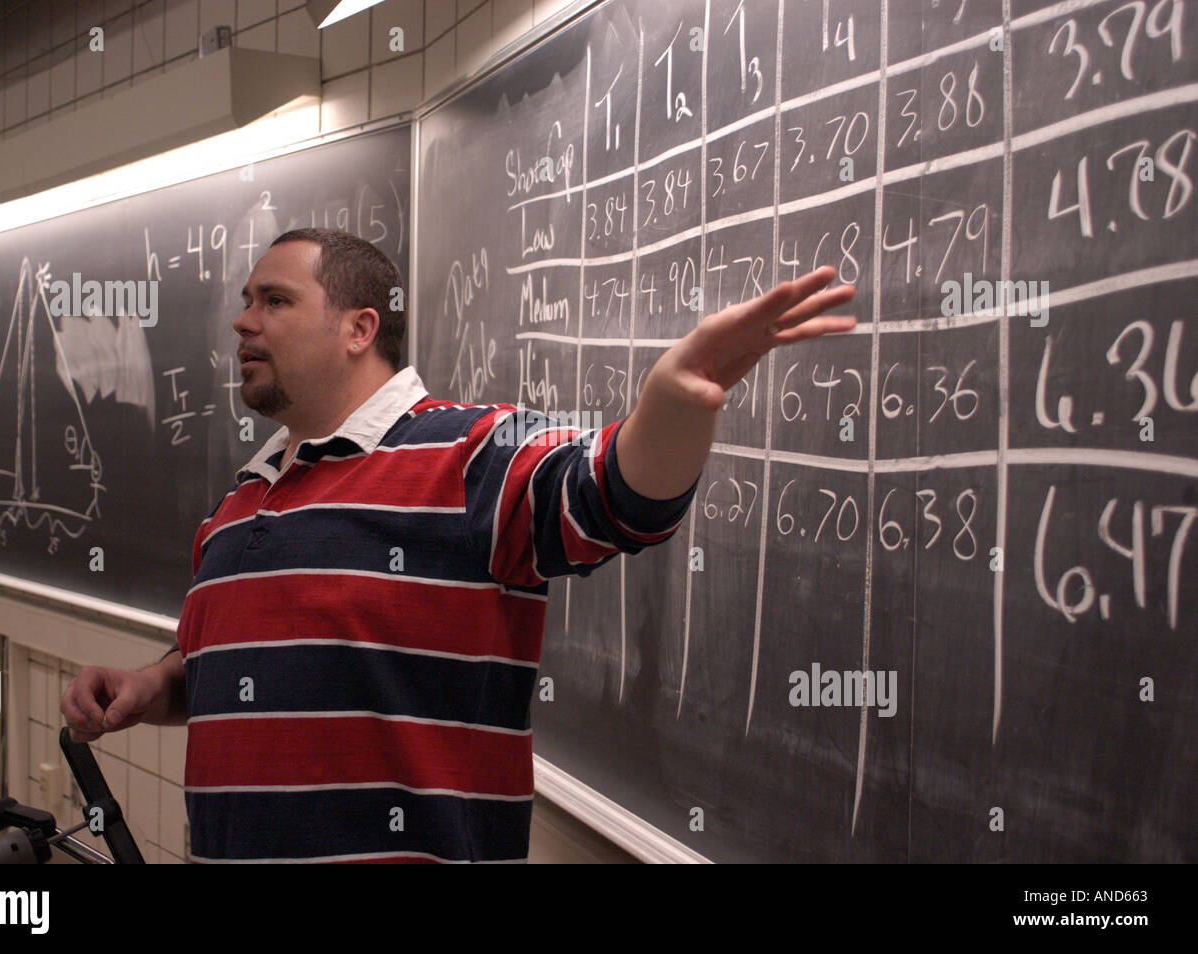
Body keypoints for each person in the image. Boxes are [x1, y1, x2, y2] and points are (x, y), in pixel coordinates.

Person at [62, 228, 855, 862]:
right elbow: (229, 667)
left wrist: (676, 406)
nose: (243, 321)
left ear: (358, 328)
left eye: (274, 300)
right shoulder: (242, 500)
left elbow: (613, 496)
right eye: (246, 301)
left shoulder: (471, 454)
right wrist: (149, 689)